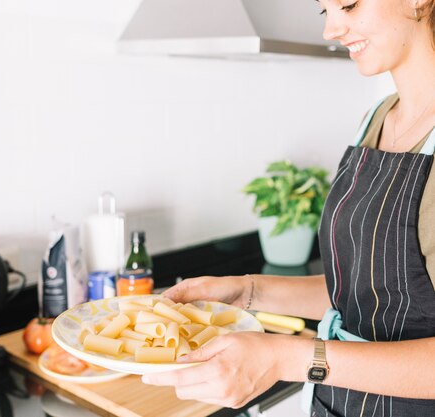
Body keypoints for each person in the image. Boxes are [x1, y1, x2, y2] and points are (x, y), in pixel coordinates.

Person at [141, 0, 435, 415]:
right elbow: (368, 290)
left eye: (348, 5)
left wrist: (286, 357)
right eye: (324, 11)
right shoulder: (377, 117)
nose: (331, 30)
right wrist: (247, 291)